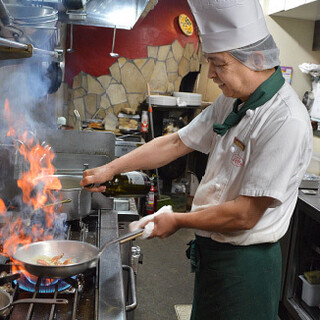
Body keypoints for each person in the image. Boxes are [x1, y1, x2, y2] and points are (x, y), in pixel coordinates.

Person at [80, 0, 313, 318]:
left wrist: (178, 220)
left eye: (220, 65)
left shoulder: (285, 120)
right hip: (213, 255)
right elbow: (177, 141)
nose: (212, 75)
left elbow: (244, 215)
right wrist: (109, 169)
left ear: (255, 59)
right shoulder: (232, 102)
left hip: (247, 267)